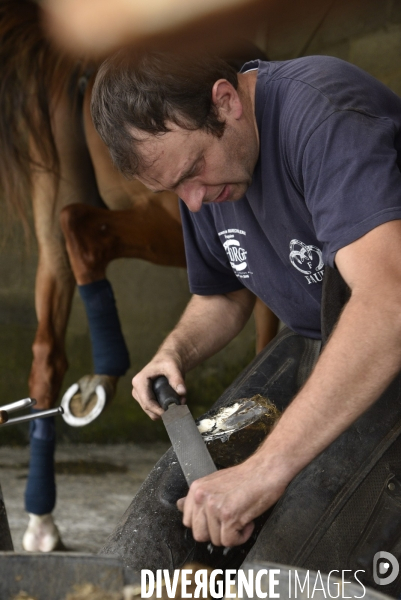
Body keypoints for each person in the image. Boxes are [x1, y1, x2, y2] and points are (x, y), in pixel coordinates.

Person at [90, 49, 401, 549]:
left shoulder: (322, 115)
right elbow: (224, 294)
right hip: (319, 339)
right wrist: (176, 350)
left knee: (289, 551)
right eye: (174, 190)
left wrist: (265, 470)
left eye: (193, 170)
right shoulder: (203, 182)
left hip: (384, 342)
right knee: (154, 534)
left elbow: (389, 301)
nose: (191, 201)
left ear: (225, 100)